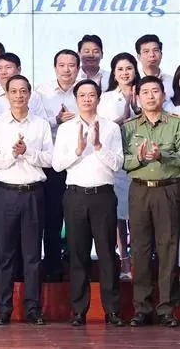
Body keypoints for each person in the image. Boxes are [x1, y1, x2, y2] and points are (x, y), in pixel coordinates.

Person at [52, 79, 124, 327]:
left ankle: (112, 310)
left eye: (91, 94)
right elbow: (57, 165)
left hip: (103, 195)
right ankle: (79, 310)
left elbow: (117, 163)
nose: (86, 99)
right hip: (75, 196)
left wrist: (98, 146)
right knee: (77, 254)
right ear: (76, 98)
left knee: (106, 254)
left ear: (98, 97)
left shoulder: (111, 128)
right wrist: (77, 149)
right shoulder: (65, 129)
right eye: (82, 95)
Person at [0, 74, 52, 326]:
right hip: (5, 193)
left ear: (30, 94)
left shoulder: (41, 125)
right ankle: (3, 308)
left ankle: (33, 308)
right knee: (5, 255)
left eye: (23, 91)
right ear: (7, 94)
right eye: (14, 91)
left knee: (33, 254)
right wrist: (12, 156)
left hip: (33, 192)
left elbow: (50, 160)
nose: (19, 96)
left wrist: (29, 153)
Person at [122, 76, 180, 328]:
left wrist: (162, 155)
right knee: (141, 249)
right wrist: (141, 158)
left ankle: (167, 308)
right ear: (137, 96)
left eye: (154, 91)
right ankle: (142, 308)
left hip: (168, 190)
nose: (150, 96)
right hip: (139, 191)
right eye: (144, 92)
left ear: (163, 94)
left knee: (168, 249)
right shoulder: (129, 127)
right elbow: (121, 160)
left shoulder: (176, 124)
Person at [36, 49, 81, 281]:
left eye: (71, 65)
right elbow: (35, 124)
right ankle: (52, 265)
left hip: (79, 165)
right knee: (52, 218)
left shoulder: (86, 91)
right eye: (62, 65)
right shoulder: (41, 92)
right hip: (52, 165)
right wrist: (56, 120)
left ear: (78, 68)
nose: (66, 69)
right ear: (55, 68)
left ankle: (76, 265)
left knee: (77, 220)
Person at [97, 52, 141, 280]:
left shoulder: (146, 91)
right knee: (119, 215)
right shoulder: (105, 99)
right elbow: (102, 131)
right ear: (113, 73)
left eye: (129, 68)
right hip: (118, 164)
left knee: (140, 215)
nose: (125, 73)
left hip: (143, 163)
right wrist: (122, 120)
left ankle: (141, 259)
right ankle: (124, 259)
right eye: (120, 69)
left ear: (135, 70)